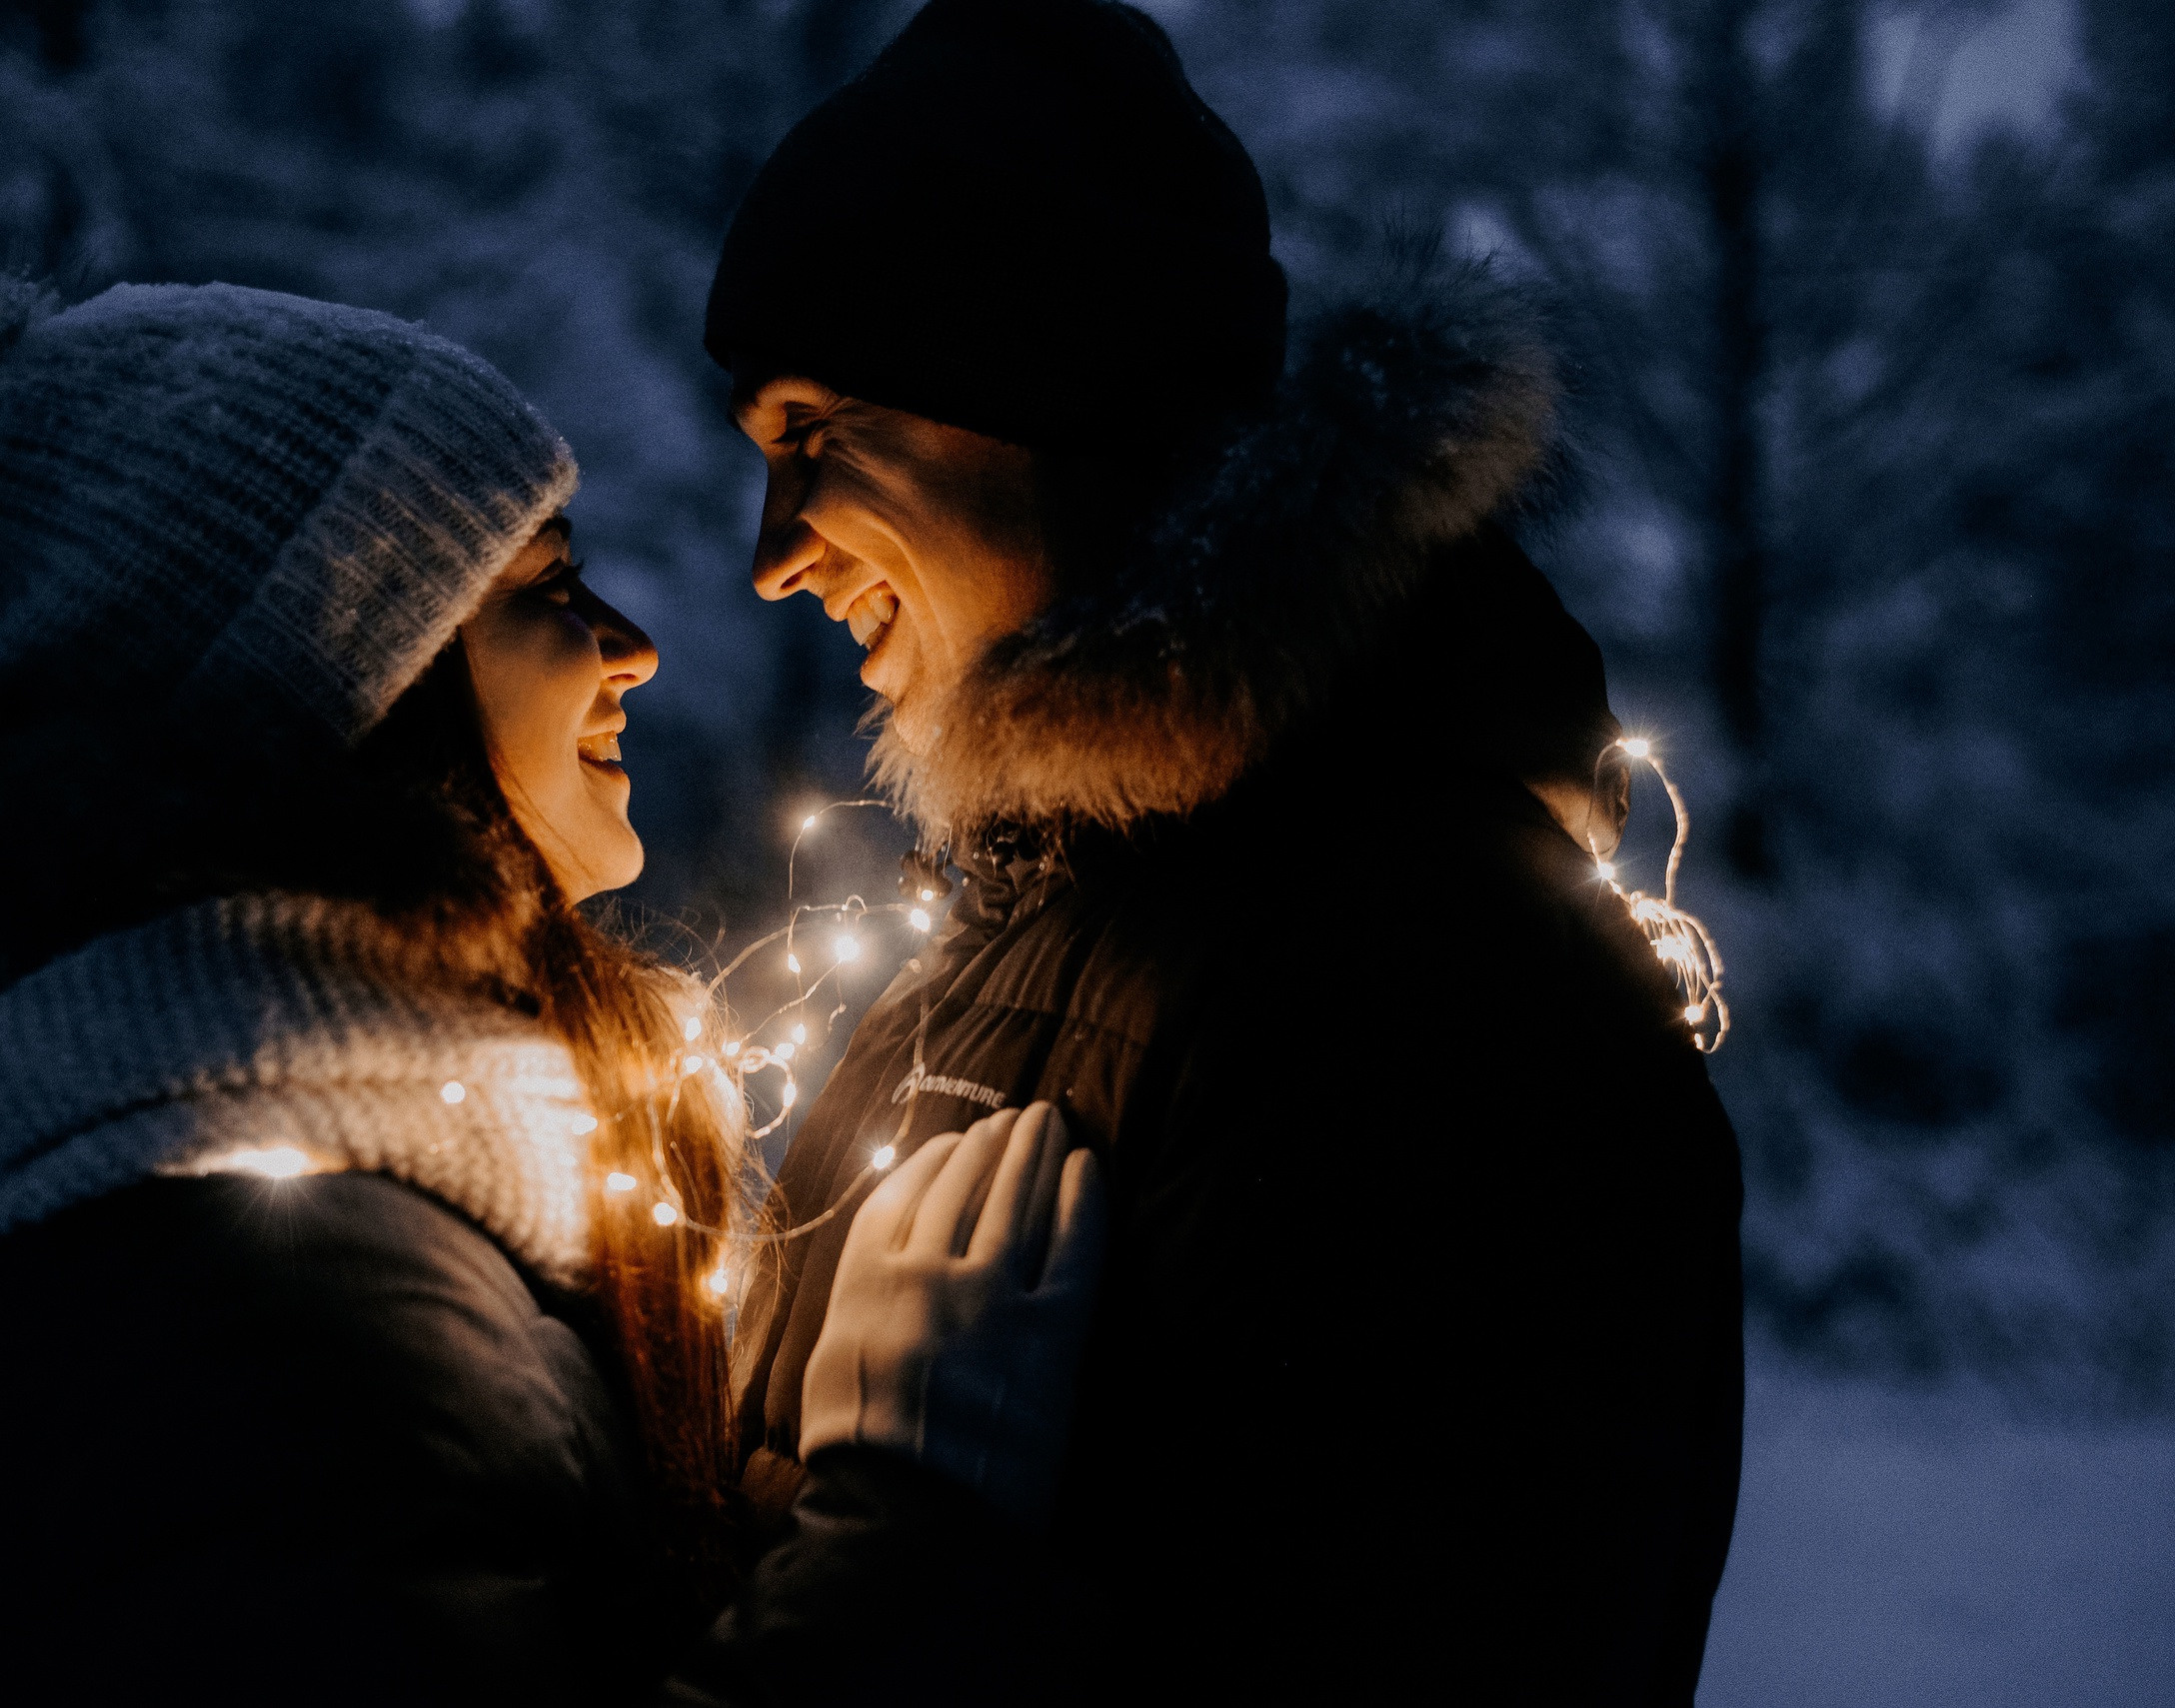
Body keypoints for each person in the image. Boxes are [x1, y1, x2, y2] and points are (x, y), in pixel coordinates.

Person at [0, 245, 1103, 1705]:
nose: (633, 649)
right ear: (358, 675)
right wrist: (907, 1515)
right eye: (550, 586)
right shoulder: (252, 1297)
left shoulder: (350, 1223)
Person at [706, 1, 1745, 1701]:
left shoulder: (1424, 1002)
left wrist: (918, 1555)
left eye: (815, 434)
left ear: (1031, 391)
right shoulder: (1035, 932)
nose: (772, 556)